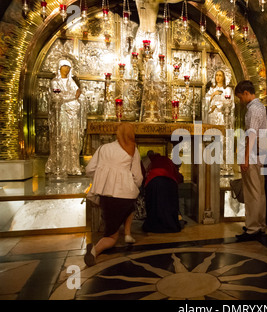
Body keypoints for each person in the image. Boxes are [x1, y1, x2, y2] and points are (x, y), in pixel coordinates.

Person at [84, 123, 143, 266]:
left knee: (117, 221)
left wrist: (103, 179)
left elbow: (90, 169)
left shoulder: (103, 148)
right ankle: (95, 250)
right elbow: (138, 176)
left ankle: (125, 234)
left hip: (106, 195)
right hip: (126, 196)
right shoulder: (132, 150)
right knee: (112, 236)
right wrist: (135, 186)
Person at [234, 80, 267, 240]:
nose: (240, 101)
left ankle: (252, 228)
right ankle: (260, 225)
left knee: (252, 192)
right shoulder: (261, 107)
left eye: (240, 97)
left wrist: (245, 158)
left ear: (246, 93)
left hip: (253, 155)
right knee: (260, 191)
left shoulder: (253, 109)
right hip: (260, 154)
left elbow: (252, 134)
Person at [46, 59, 84, 177]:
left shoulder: (72, 82)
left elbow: (80, 96)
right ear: (59, 67)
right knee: (62, 138)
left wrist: (77, 97)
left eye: (68, 67)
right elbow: (57, 97)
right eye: (64, 66)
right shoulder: (55, 82)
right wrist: (73, 96)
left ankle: (73, 166)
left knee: (73, 139)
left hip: (73, 114)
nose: (67, 69)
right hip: (61, 114)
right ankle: (60, 166)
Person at [142, 151, 184, 233]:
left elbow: (141, 174)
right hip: (170, 183)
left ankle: (153, 225)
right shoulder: (166, 159)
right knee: (169, 205)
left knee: (154, 204)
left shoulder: (145, 161)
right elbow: (176, 174)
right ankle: (171, 225)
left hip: (154, 183)